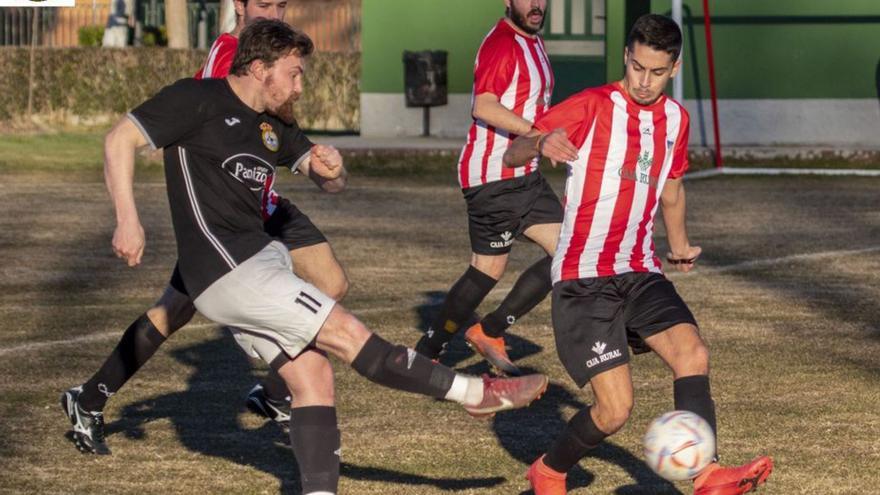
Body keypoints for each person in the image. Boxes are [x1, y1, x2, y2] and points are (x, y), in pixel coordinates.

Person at [99, 20, 550, 495]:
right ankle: (475, 393)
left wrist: (332, 168)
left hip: (259, 264)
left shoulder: (272, 125)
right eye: (293, 74)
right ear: (258, 68)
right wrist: (128, 220)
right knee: (347, 333)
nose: (300, 85)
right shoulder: (196, 98)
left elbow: (329, 180)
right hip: (228, 268)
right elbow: (119, 140)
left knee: (313, 378)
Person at [502, 14, 773, 495]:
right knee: (615, 411)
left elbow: (671, 189)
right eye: (637, 68)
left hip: (639, 269)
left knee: (693, 353)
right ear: (627, 57)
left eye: (657, 72)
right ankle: (549, 470)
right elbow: (513, 153)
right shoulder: (592, 105)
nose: (644, 82)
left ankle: (706, 474)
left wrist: (680, 244)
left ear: (674, 67)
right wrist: (541, 141)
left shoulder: (676, 120)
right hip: (584, 279)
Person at [61, 0, 347, 456]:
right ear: (239, 5)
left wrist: (318, 156)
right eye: (263, 3)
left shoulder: (280, 52)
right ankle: (91, 397)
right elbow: (215, 116)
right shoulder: (231, 50)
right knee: (174, 310)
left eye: (280, 4)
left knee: (331, 281)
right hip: (224, 211)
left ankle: (275, 393)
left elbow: (273, 124)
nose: (273, 10)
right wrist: (129, 219)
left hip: (261, 202)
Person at [414, 0, 563, 377]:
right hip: (495, 177)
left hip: (524, 175)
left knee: (557, 254)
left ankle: (463, 339)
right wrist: (537, 135)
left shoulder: (534, 42)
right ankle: (444, 346)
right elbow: (484, 106)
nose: (537, 4)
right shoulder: (502, 43)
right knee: (494, 268)